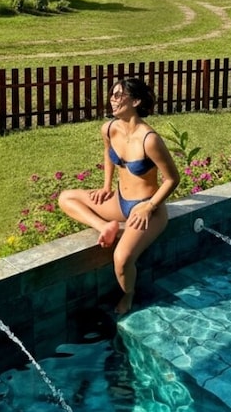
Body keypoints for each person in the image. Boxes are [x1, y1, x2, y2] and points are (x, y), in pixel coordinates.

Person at [58, 78, 180, 314]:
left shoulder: (149, 139)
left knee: (122, 259)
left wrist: (149, 207)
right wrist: (106, 187)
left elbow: (173, 179)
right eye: (112, 95)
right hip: (119, 201)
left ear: (135, 101)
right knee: (66, 198)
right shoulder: (109, 128)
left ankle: (129, 295)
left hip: (147, 209)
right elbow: (108, 154)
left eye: (118, 95)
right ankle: (104, 226)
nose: (112, 100)